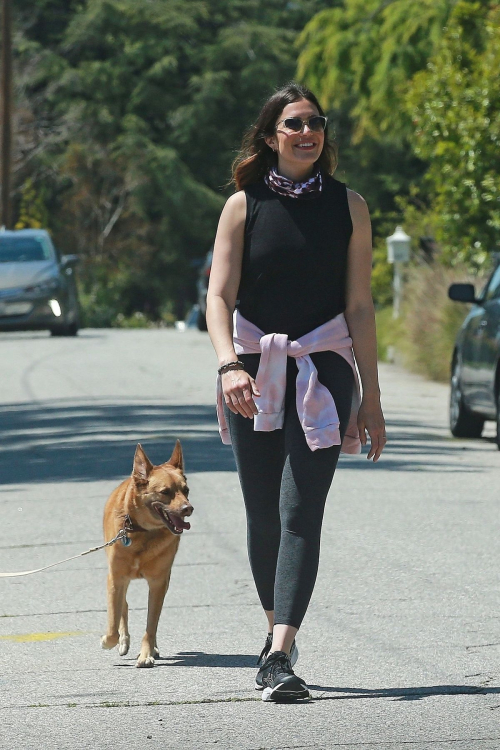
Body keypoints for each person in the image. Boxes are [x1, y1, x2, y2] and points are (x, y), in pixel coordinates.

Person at [206, 82, 386, 702]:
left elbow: (359, 306)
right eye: (293, 123)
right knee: (262, 513)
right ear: (269, 136)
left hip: (324, 367)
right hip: (253, 372)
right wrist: (229, 364)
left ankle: (280, 651)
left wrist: (372, 400)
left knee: (300, 509)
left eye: (316, 122)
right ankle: (271, 638)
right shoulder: (243, 205)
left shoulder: (350, 206)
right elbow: (218, 297)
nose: (307, 132)